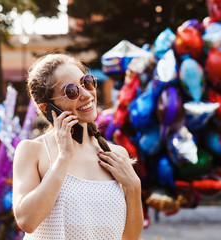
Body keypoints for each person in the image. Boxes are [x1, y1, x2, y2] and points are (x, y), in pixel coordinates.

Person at [12, 53, 144, 240]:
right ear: (46, 108)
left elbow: (130, 237)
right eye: (71, 91)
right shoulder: (33, 151)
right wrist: (64, 157)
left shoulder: (115, 154)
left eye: (86, 82)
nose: (86, 94)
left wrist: (134, 186)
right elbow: (27, 221)